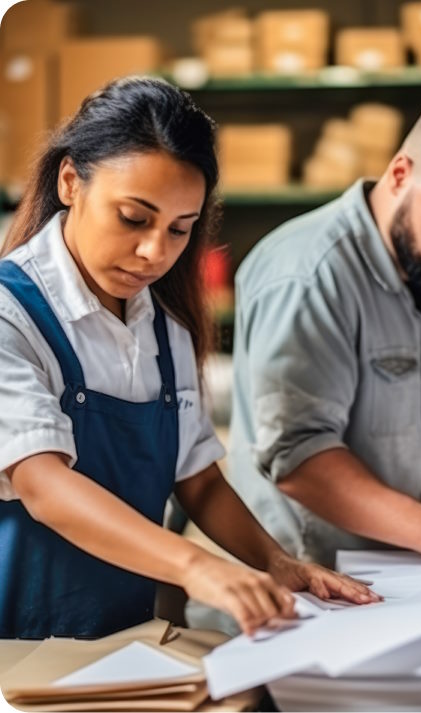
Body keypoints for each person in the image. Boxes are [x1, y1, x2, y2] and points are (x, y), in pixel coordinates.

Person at [0, 76, 379, 640]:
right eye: (134, 218)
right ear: (71, 182)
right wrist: (196, 566)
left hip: (120, 638)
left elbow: (196, 479)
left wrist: (277, 563)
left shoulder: (164, 327)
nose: (155, 252)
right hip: (17, 642)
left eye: (180, 229)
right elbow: (42, 484)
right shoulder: (12, 311)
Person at [229, 90, 421, 568]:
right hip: (305, 587)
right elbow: (297, 458)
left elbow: (420, 409)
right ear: (400, 175)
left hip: (390, 580)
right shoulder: (310, 275)